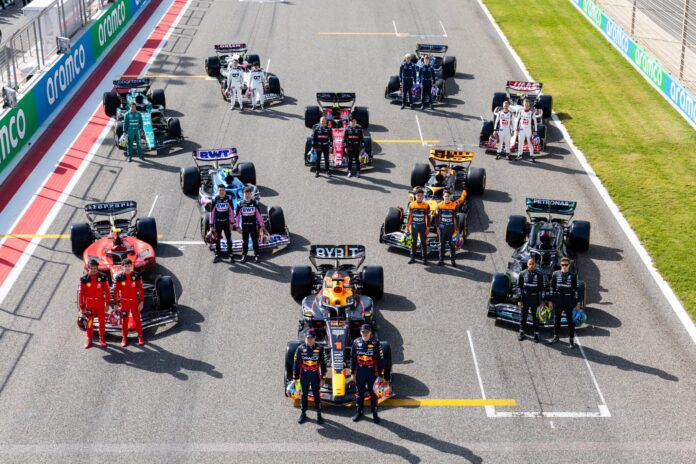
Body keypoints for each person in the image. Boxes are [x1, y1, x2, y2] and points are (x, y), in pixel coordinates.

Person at [351, 324, 383, 423]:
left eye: (367, 332)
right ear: (360, 332)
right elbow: (353, 359)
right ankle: (359, 412)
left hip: (372, 372)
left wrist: (381, 376)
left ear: (370, 333)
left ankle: (375, 414)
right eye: (363, 332)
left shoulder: (376, 343)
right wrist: (352, 373)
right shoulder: (356, 342)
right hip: (360, 371)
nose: (365, 333)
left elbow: (381, 361)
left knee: (374, 394)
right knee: (359, 393)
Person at [293, 329, 326, 424]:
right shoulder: (300, 349)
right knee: (304, 395)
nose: (309, 340)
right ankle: (303, 413)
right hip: (304, 375)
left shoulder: (319, 349)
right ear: (305, 338)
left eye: (311, 338)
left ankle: (319, 414)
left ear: (315, 338)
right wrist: (295, 378)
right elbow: (296, 364)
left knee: (316, 395)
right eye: (307, 338)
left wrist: (323, 378)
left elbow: (323, 364)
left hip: (315, 375)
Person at [547, 257, 580, 348]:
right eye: (562, 265)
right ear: (560, 265)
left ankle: (571, 340)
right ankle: (556, 337)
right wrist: (550, 300)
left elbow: (576, 290)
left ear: (569, 265)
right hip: (558, 301)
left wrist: (577, 302)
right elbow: (551, 288)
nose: (564, 266)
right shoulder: (555, 274)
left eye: (566, 265)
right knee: (556, 319)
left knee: (570, 321)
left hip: (569, 301)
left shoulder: (573, 276)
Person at [79, 259, 111, 349]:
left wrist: (108, 304)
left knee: (102, 322)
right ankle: (89, 338)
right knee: (89, 322)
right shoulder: (84, 279)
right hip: (89, 304)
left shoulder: (103, 277)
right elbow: (81, 294)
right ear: (88, 268)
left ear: (97, 267)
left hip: (100, 303)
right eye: (91, 268)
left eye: (95, 268)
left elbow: (107, 292)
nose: (93, 270)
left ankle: (101, 338)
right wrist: (82, 306)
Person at [113, 258, 144, 347]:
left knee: (137, 319)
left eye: (129, 266)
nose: (127, 268)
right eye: (125, 266)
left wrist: (141, 302)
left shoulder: (137, 276)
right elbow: (115, 292)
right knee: (124, 321)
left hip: (134, 302)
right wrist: (115, 303)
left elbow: (141, 290)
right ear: (122, 267)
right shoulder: (119, 277)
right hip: (124, 303)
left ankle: (140, 336)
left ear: (132, 266)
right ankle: (124, 337)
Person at [235, 186, 267, 263]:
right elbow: (238, 217)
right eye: (246, 193)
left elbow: (259, 215)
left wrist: (262, 225)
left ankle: (257, 255)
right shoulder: (240, 204)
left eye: (249, 193)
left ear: (251, 194)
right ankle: (244, 256)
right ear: (244, 194)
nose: (247, 195)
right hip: (245, 227)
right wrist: (237, 227)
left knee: (255, 241)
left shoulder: (255, 203)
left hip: (253, 226)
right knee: (244, 242)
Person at [435, 189, 467, 267]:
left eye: (448, 196)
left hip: (451, 229)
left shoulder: (454, 205)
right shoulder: (439, 205)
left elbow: (457, 218)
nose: (447, 198)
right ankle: (441, 260)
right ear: (443, 196)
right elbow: (436, 217)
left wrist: (457, 230)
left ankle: (453, 261)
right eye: (445, 196)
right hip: (442, 229)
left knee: (452, 245)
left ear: (450, 197)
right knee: (441, 245)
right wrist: (437, 228)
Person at [517, 258, 545, 342]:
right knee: (523, 317)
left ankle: (536, 334)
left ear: (535, 265)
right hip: (525, 299)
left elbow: (542, 288)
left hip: (535, 300)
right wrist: (519, 299)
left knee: (536, 318)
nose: (531, 265)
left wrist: (543, 301)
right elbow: (519, 287)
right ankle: (522, 332)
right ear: (527, 264)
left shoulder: (539, 275)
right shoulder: (522, 274)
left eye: (533, 264)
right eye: (530, 264)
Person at [210, 184, 235, 263]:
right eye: (220, 190)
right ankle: (217, 255)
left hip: (226, 223)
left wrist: (231, 223)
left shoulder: (228, 199)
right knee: (217, 240)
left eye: (223, 190)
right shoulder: (215, 199)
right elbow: (212, 213)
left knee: (229, 239)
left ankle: (230, 255)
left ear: (225, 191)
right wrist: (211, 224)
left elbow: (231, 212)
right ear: (218, 191)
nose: (221, 192)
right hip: (218, 223)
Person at [407, 187, 430, 264]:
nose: (419, 197)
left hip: (423, 227)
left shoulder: (426, 205)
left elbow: (428, 217)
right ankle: (412, 258)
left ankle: (424, 259)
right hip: (414, 226)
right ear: (415, 196)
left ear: (423, 196)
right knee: (413, 243)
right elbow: (409, 217)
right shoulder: (411, 204)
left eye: (421, 195)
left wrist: (428, 228)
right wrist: (408, 226)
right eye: (418, 195)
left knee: (423, 243)